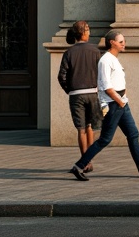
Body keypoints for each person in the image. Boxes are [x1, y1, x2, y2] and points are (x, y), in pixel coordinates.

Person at [69, 30, 139, 181]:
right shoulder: (105, 60)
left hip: (121, 104)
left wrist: (123, 101)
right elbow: (107, 87)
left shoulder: (113, 59)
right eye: (121, 41)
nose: (124, 44)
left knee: (133, 134)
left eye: (123, 41)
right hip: (114, 105)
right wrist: (120, 101)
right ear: (112, 42)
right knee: (105, 139)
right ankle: (79, 166)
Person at [57, 21, 103, 171]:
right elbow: (102, 75)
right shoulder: (95, 51)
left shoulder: (69, 53)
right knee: (90, 127)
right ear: (84, 33)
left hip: (76, 95)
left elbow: (61, 76)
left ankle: (84, 162)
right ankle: (88, 160)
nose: (89, 32)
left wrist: (69, 90)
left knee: (81, 129)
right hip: (92, 93)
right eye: (88, 29)